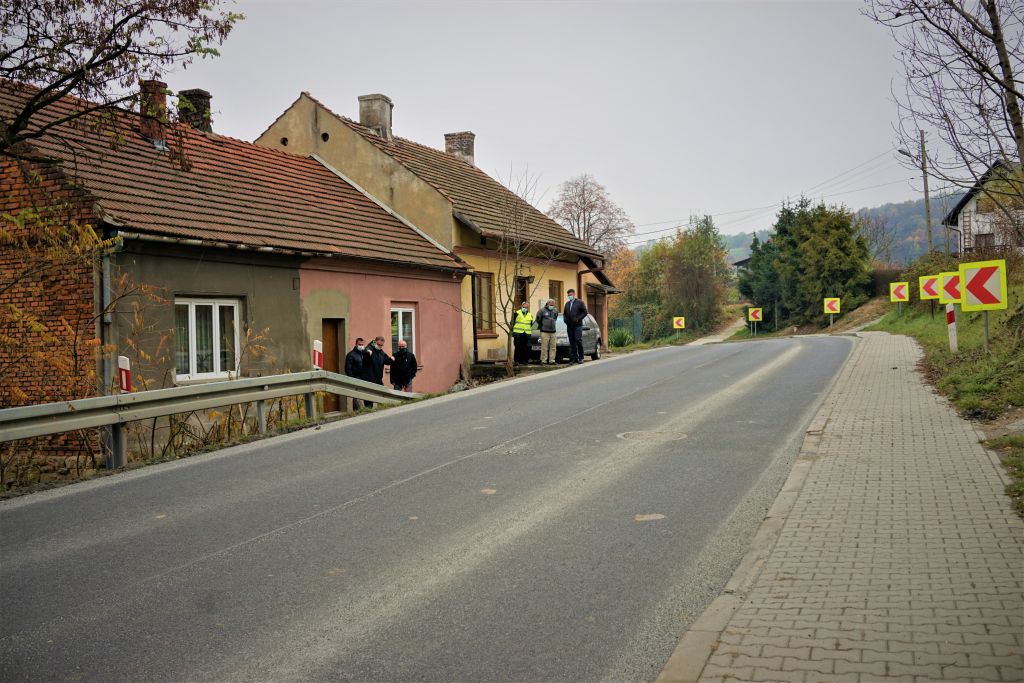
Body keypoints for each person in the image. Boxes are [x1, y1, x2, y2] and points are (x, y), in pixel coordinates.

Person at [563, 288, 588, 364]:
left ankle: (581, 357)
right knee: (572, 342)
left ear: (574, 294)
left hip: (577, 325)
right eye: (568, 295)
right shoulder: (567, 304)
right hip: (569, 326)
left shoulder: (579, 302)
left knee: (578, 340)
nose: (569, 296)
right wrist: (565, 320)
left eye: (570, 295)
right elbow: (564, 314)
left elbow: (585, 312)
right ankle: (574, 358)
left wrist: (578, 319)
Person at [344, 337, 369, 409]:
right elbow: (348, 368)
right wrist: (352, 379)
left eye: (362, 344)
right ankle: (357, 412)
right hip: (356, 378)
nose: (361, 346)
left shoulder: (365, 354)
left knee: (366, 395)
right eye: (359, 344)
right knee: (356, 396)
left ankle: (367, 409)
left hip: (364, 378)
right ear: (356, 344)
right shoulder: (351, 355)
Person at [536, 298, 559, 365]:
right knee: (544, 347)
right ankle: (543, 361)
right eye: (551, 304)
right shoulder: (542, 310)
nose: (552, 306)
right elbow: (538, 320)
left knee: (553, 347)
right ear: (547, 303)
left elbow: (555, 318)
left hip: (553, 332)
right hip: (544, 332)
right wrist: (541, 327)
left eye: (553, 305)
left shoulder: (555, 311)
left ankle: (552, 360)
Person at [512, 300, 534, 365]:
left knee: (526, 348)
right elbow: (512, 322)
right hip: (518, 333)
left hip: (526, 333)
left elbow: (531, 324)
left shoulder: (530, 315)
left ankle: (524, 360)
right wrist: (513, 331)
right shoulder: (517, 313)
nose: (525, 308)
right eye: (524, 307)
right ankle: (517, 361)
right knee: (518, 347)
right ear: (522, 306)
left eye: (527, 307)